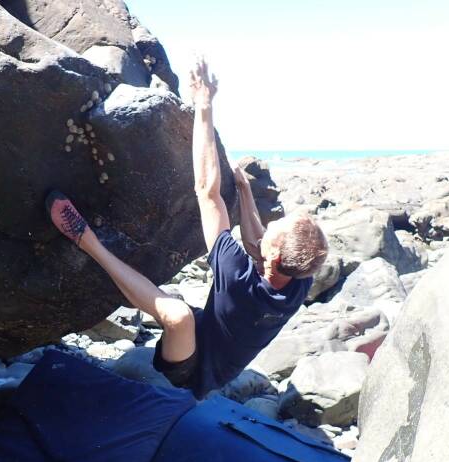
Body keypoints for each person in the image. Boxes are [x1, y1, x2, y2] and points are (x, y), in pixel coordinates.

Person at [46, 58, 328, 398]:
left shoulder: (237, 278)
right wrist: (243, 189)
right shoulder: (298, 278)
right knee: (188, 310)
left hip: (190, 372)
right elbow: (260, 244)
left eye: (275, 229)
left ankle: (87, 241)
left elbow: (206, 191)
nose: (268, 229)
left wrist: (204, 105)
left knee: (178, 315)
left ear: (274, 255)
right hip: (216, 351)